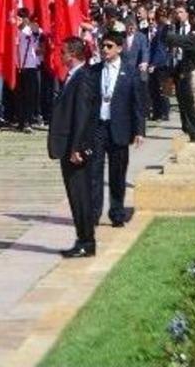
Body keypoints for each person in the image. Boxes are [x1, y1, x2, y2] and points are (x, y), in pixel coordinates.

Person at [89, 30, 145, 229]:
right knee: (94, 173)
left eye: (109, 46)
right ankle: (93, 214)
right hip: (98, 127)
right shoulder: (94, 71)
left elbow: (137, 103)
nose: (105, 50)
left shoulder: (129, 71)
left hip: (119, 128)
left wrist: (139, 130)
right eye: (102, 46)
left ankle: (117, 213)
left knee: (117, 174)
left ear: (119, 48)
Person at [48, 37, 97, 259]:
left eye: (64, 52)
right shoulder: (72, 76)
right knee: (74, 195)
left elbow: (82, 115)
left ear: (73, 54)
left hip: (73, 147)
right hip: (66, 145)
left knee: (80, 195)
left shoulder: (83, 78)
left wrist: (77, 147)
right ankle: (82, 238)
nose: (61, 56)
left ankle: (87, 241)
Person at [165, 1, 195, 142]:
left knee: (193, 112)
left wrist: (170, 27)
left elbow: (175, 39)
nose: (193, 18)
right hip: (188, 74)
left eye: (194, 15)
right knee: (188, 112)